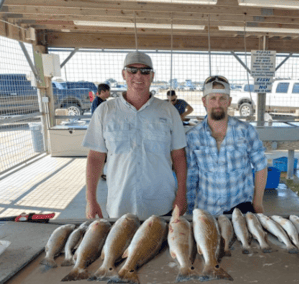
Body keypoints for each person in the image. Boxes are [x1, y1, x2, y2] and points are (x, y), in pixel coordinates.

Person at [82, 51, 187, 219]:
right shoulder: (105, 111)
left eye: (145, 71)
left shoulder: (168, 111)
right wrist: (91, 200)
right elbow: (95, 157)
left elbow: (179, 156)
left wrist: (182, 194)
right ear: (123, 74)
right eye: (132, 70)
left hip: (161, 205)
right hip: (120, 206)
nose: (139, 75)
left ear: (152, 76)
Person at [186, 75, 268, 215]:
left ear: (229, 101)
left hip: (241, 208)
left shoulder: (246, 131)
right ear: (204, 101)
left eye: (222, 98)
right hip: (207, 210)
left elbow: (261, 166)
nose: (217, 104)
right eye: (212, 98)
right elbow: (192, 176)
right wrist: (189, 210)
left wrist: (258, 203)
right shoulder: (193, 136)